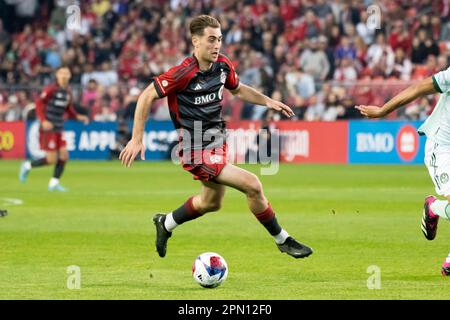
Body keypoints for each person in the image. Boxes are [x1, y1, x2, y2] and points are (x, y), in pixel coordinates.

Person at [119, 15, 313, 259]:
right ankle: (282, 240)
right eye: (211, 40)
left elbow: (238, 89)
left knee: (211, 202)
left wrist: (268, 101)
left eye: (219, 39)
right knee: (253, 185)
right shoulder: (183, 73)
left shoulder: (222, 65)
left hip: (217, 143)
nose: (216, 45)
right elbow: (146, 96)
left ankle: (165, 223)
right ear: (196, 42)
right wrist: (137, 139)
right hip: (195, 149)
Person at [356, 67, 450, 276]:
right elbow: (419, 88)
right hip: (442, 147)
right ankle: (434, 208)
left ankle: (436, 212)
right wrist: (382, 111)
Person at [19, 66, 89, 191]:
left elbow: (69, 109)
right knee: (51, 159)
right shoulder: (51, 89)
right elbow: (39, 103)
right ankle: (27, 165)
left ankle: (53, 183)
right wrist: (43, 120)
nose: (64, 75)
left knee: (64, 156)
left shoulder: (67, 92)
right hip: (48, 127)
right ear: (57, 75)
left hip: (59, 126)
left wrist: (79, 117)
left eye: (66, 73)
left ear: (69, 76)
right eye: (61, 73)